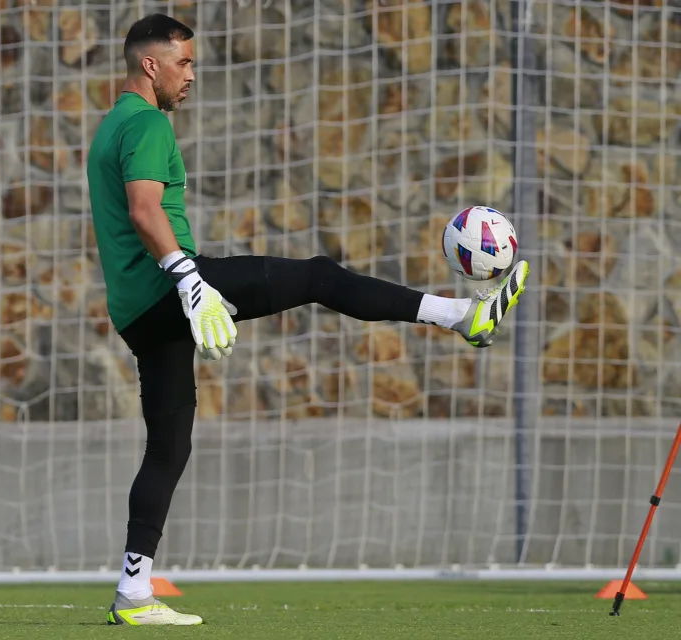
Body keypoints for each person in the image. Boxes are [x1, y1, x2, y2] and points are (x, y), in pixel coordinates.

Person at [85, 13, 529, 626]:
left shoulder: (110, 125)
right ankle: (461, 316)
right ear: (150, 65)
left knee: (168, 446)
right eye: (183, 63)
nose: (192, 75)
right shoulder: (147, 123)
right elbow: (142, 209)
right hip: (172, 287)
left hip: (138, 309)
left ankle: (133, 591)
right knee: (320, 276)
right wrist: (191, 283)